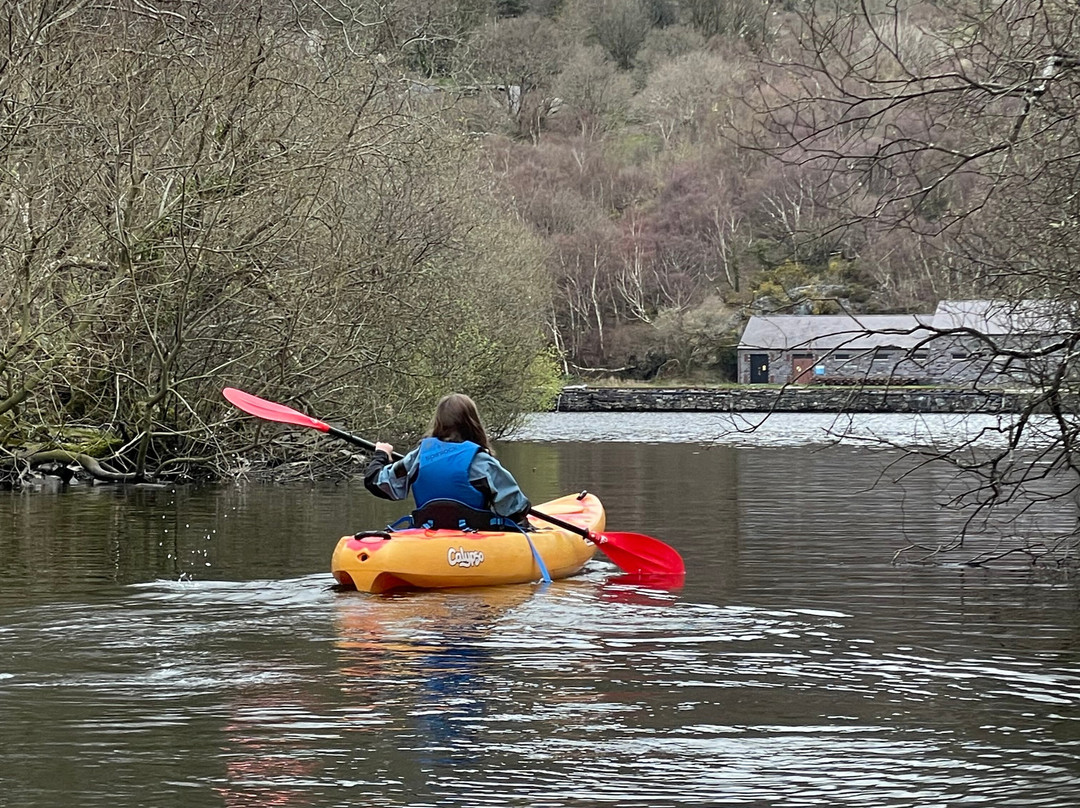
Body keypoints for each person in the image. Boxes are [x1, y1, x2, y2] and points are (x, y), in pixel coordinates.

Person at [364, 393, 531, 527]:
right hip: (474, 539)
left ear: (438, 422)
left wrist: (382, 454)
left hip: (429, 532)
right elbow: (516, 507)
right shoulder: (482, 462)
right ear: (473, 424)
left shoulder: (418, 457)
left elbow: (376, 482)